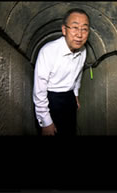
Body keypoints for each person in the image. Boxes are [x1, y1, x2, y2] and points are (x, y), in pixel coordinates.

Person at [33, 8, 90, 136]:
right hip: (51, 99)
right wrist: (46, 122)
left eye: (84, 29)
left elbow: (78, 73)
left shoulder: (83, 50)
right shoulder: (48, 51)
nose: (79, 34)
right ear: (64, 30)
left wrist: (75, 94)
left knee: (70, 130)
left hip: (69, 97)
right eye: (75, 27)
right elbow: (39, 90)